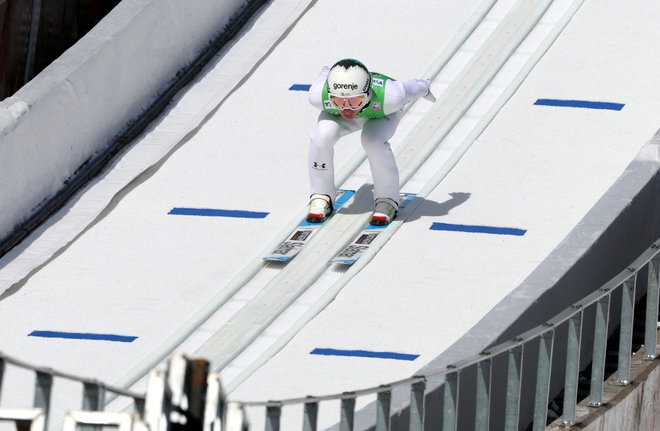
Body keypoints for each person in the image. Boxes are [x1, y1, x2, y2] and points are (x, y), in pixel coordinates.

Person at [306, 58, 435, 225]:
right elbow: (324, 77)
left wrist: (424, 87)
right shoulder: (317, 95)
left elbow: (416, 87)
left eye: (354, 101)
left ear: (368, 93)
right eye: (338, 100)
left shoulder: (392, 96)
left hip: (381, 111)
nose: (347, 108)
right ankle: (320, 195)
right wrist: (326, 73)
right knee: (321, 137)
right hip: (345, 112)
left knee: (373, 141)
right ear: (330, 94)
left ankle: (387, 199)